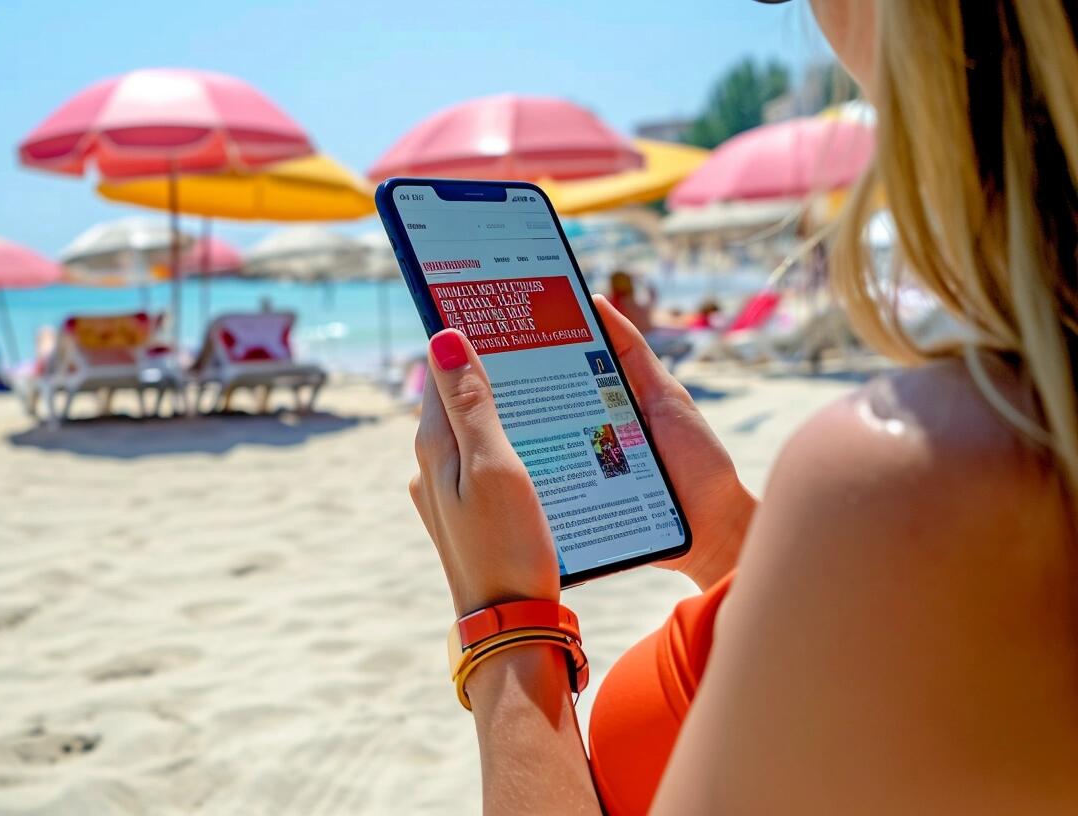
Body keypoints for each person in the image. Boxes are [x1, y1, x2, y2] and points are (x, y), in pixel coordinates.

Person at [408, 2, 1078, 813]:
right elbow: (881, 687)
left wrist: (504, 624)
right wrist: (728, 533)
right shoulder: (990, 461)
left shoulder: (928, 473)